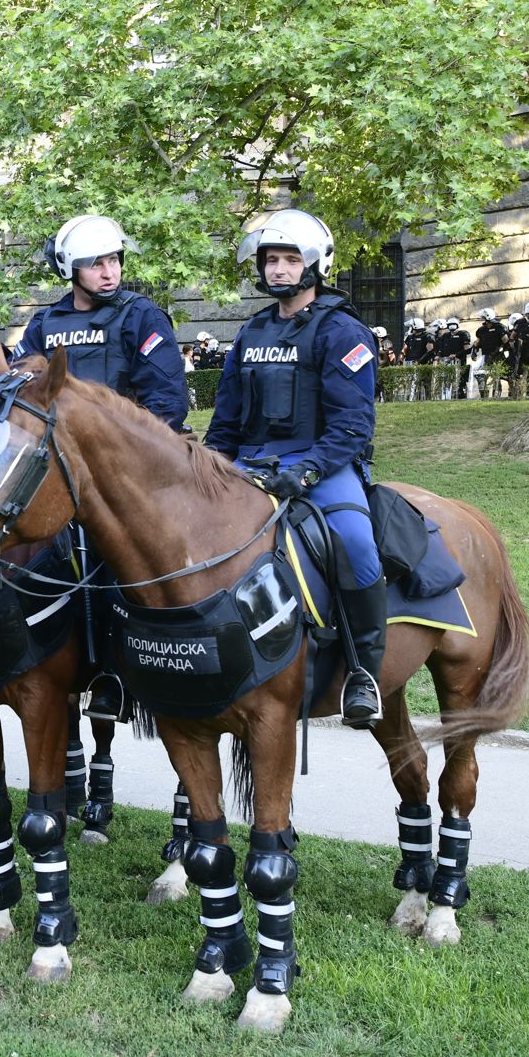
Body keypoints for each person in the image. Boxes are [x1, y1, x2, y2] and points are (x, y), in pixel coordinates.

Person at [204, 208, 384, 729]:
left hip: (323, 468)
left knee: (356, 545)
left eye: (289, 259)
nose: (278, 270)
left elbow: (353, 427)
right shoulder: (251, 331)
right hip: (249, 464)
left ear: (314, 263)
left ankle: (363, 674)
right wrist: (212, 467)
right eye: (270, 260)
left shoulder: (342, 331)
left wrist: (305, 473)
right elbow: (227, 420)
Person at [12, 214, 189, 430]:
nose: (109, 274)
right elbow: (21, 394)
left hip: (124, 450)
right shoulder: (44, 324)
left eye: (113, 260)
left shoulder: (141, 316)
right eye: (96, 265)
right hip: (59, 449)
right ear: (71, 269)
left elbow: (166, 404)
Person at [435, 317, 473, 399]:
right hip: (446, 361)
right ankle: (446, 396)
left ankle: (460, 395)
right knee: (446, 379)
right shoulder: (445, 336)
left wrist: (456, 355)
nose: (452, 327)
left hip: (459, 362)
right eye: (450, 325)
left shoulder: (463, 334)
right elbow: (441, 348)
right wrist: (438, 355)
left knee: (459, 380)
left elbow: (467, 349)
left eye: (453, 325)